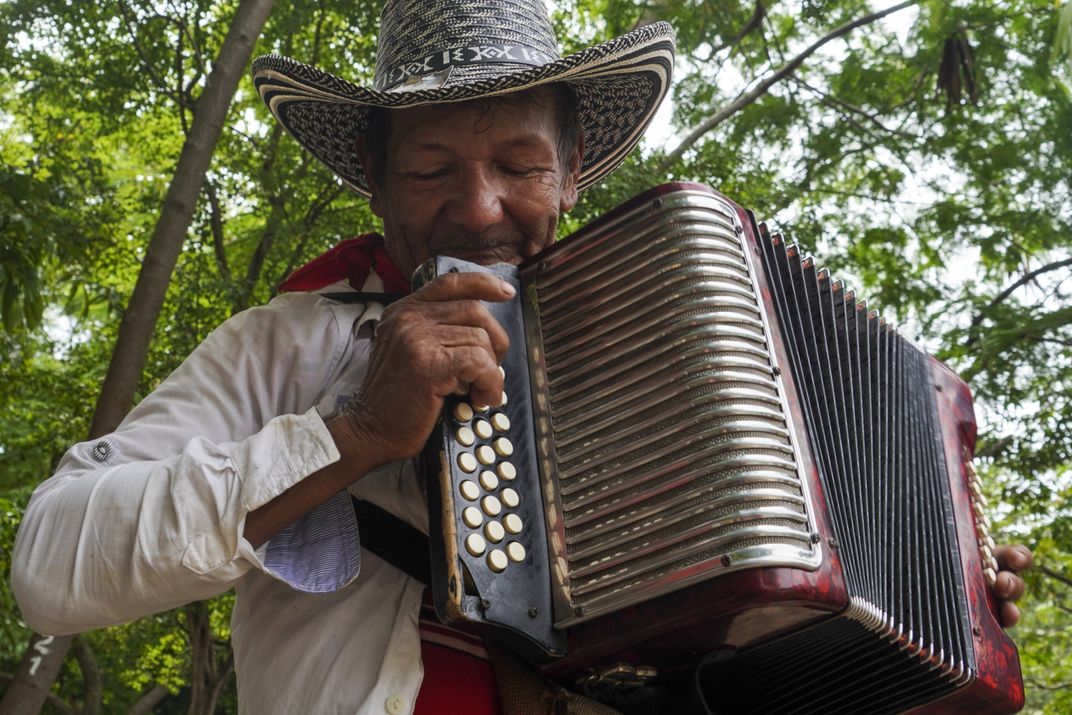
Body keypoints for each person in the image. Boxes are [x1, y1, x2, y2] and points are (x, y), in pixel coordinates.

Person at [11, 1, 1031, 713]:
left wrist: (939, 585)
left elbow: (752, 641)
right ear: (372, 175)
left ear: (574, 169)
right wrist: (350, 434)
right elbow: (52, 566)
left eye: (519, 165)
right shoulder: (288, 343)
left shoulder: (697, 353)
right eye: (429, 168)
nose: (480, 207)